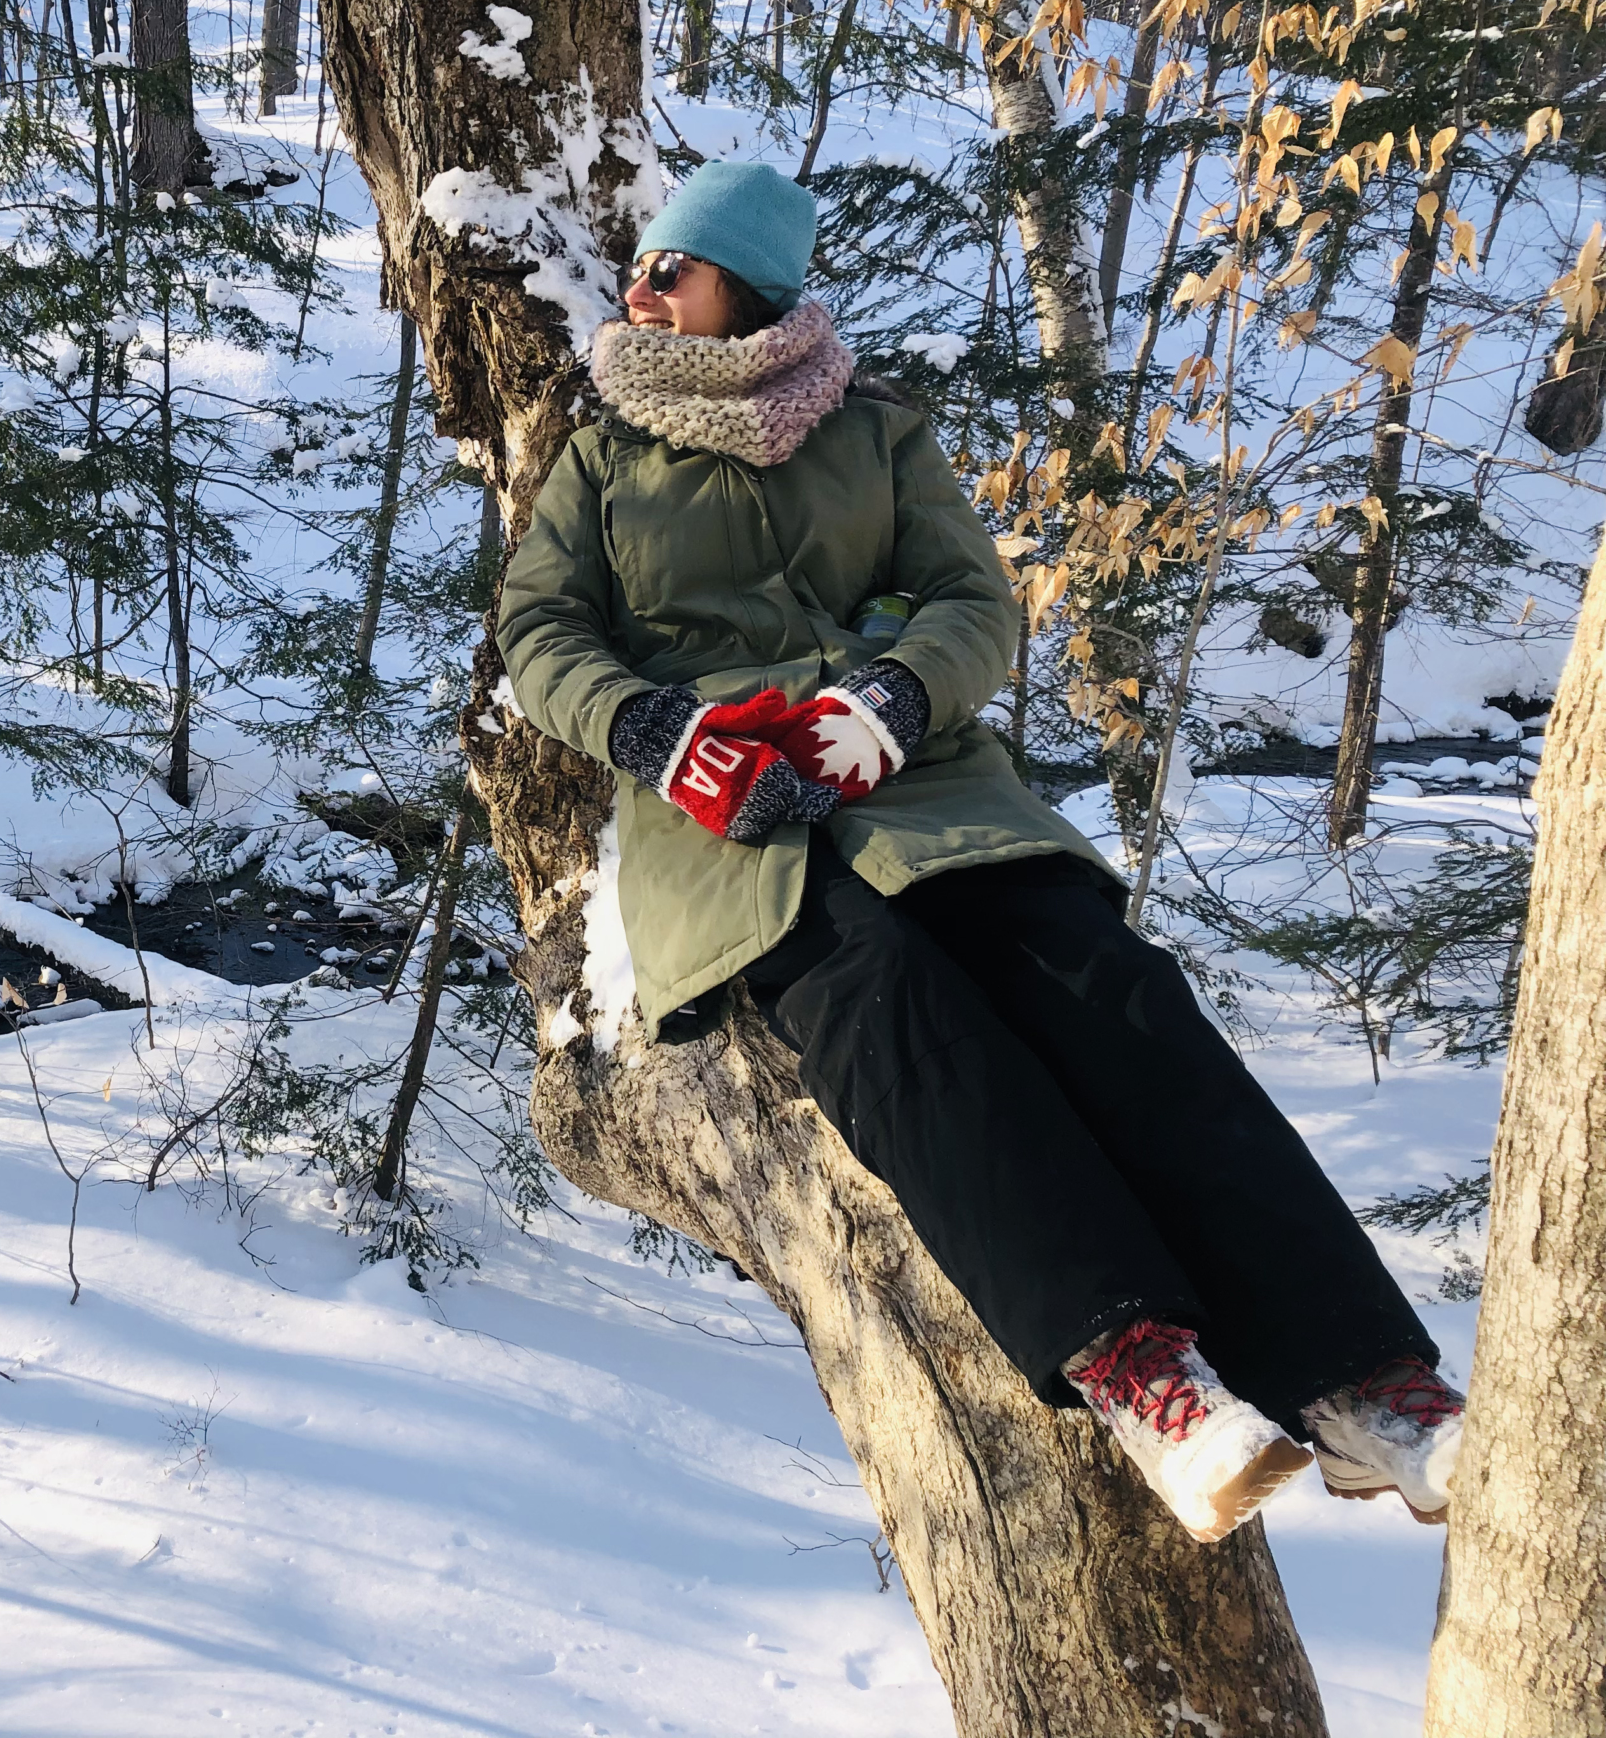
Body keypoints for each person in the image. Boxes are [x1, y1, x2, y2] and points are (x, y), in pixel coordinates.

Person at [496, 159, 1466, 1545]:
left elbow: (973, 601)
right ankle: (1145, 1374)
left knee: (1112, 990)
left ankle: (1371, 1385)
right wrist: (655, 729)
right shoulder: (601, 460)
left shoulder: (879, 435)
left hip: (927, 788)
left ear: (748, 290)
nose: (640, 287)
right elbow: (539, 640)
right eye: (644, 267)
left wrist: (895, 699)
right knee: (893, 1012)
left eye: (672, 267)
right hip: (729, 820)